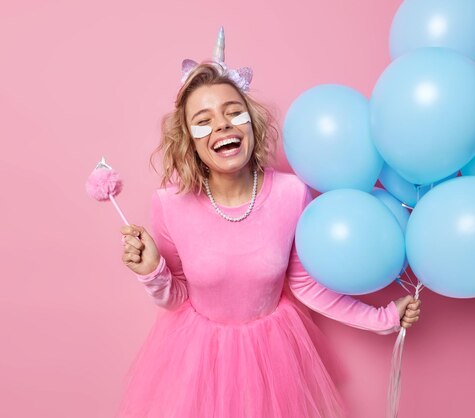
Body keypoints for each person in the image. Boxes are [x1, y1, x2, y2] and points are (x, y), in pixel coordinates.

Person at [116, 28, 421, 418]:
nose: (222, 126)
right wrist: (152, 272)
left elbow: (305, 286)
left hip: (273, 356)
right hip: (198, 360)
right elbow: (176, 297)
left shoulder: (292, 193)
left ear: (250, 122)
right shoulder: (169, 204)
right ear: (189, 141)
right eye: (203, 121)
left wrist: (382, 318)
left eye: (232, 112)